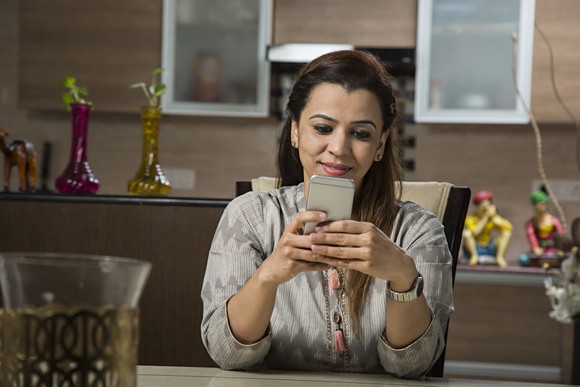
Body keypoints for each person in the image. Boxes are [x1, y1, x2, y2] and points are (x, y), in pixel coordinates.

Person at [201, 50, 453, 379]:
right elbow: (227, 354)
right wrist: (267, 276)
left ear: (380, 144)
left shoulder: (420, 230)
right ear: (294, 131)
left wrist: (403, 276)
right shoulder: (248, 216)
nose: (338, 147)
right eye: (323, 128)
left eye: (360, 133)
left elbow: (413, 366)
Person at [463, 190, 512, 267]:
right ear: (477, 207)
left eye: (487, 207)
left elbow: (508, 227)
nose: (485, 210)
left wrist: (495, 218)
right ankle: (474, 256)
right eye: (483, 208)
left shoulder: (492, 218)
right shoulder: (471, 219)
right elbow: (476, 232)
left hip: (489, 246)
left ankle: (500, 257)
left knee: (506, 233)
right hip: (477, 246)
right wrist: (486, 217)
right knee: (467, 234)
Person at [519, 190, 564, 266]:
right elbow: (531, 236)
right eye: (536, 204)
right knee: (524, 259)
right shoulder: (531, 223)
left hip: (553, 251)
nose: (539, 207)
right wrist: (535, 247)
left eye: (541, 204)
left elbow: (559, 235)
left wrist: (560, 249)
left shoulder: (554, 221)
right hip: (539, 252)